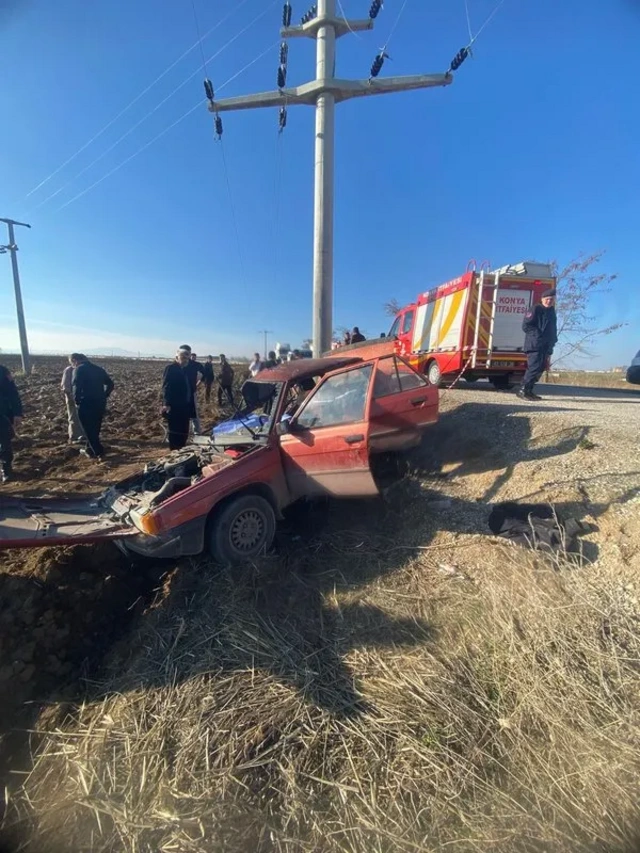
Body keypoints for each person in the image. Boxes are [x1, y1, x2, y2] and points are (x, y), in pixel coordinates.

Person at [518, 289, 558, 401]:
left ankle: (529, 391)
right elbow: (526, 326)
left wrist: (553, 340)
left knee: (540, 368)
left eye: (551, 299)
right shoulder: (536, 309)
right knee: (534, 368)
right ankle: (523, 390)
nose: (549, 301)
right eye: (547, 299)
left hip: (546, 346)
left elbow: (552, 328)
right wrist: (538, 336)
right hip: (535, 345)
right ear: (542, 299)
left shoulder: (551, 311)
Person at [71, 353, 114, 459]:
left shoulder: (79, 369)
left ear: (75, 360)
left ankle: (99, 452)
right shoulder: (98, 369)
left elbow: (76, 387)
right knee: (95, 427)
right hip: (100, 402)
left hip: (86, 403)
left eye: (72, 363)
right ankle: (89, 449)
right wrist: (105, 395)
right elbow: (110, 384)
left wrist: (77, 401)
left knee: (88, 429)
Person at [162, 349, 193, 450]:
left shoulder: (183, 369)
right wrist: (166, 404)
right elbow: (166, 386)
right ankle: (175, 453)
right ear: (176, 358)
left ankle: (181, 450)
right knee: (176, 432)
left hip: (184, 406)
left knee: (184, 431)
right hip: (175, 406)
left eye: (187, 358)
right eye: (183, 358)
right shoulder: (171, 368)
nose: (185, 360)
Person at [0, 365, 23, 483]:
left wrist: (17, 413)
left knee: (4, 443)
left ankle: (6, 470)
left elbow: (12, 393)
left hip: (2, 414)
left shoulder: (3, 371)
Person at [61, 357, 84, 444]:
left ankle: (83, 436)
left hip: (80, 398)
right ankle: (74, 437)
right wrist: (72, 397)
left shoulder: (81, 370)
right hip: (71, 398)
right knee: (73, 417)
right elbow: (65, 387)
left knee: (82, 418)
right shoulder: (69, 370)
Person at [185, 350, 205, 434]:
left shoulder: (196, 365)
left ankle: (197, 431)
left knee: (193, 412)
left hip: (192, 391)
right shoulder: (180, 365)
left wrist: (199, 382)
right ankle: (182, 432)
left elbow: (204, 373)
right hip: (181, 393)